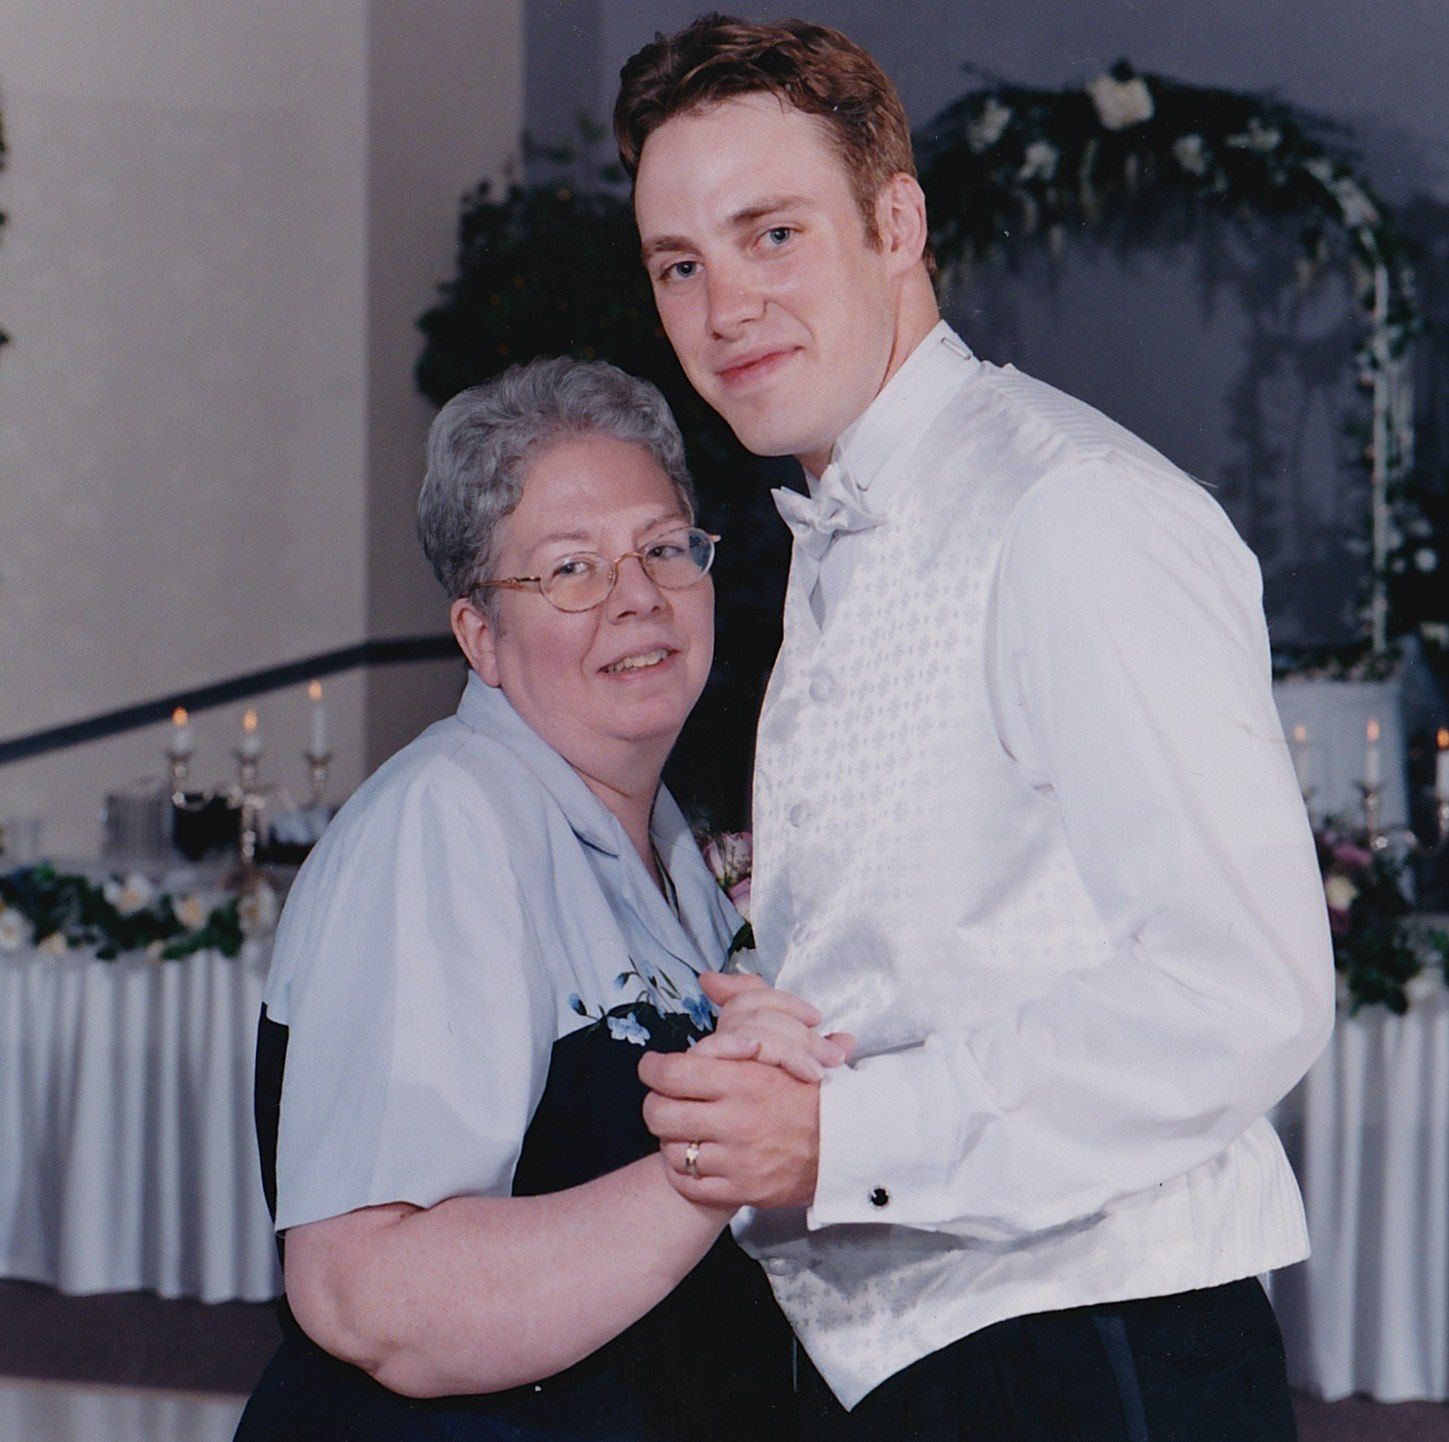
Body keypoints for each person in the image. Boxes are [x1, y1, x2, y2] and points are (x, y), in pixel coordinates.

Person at [615, 16, 1336, 1440]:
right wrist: (807, 1028)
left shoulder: (1071, 514)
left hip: (1087, 1347)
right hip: (934, 1353)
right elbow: (979, 932)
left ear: (897, 221)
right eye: (679, 266)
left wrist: (841, 1135)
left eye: (771, 234)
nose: (723, 306)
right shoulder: (850, 520)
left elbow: (1242, 985)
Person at [234, 357, 820, 1440]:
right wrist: (709, 1167)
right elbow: (367, 1294)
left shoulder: (659, 832)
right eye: (569, 570)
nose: (636, 594)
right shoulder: (445, 823)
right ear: (478, 636)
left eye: (660, 547)